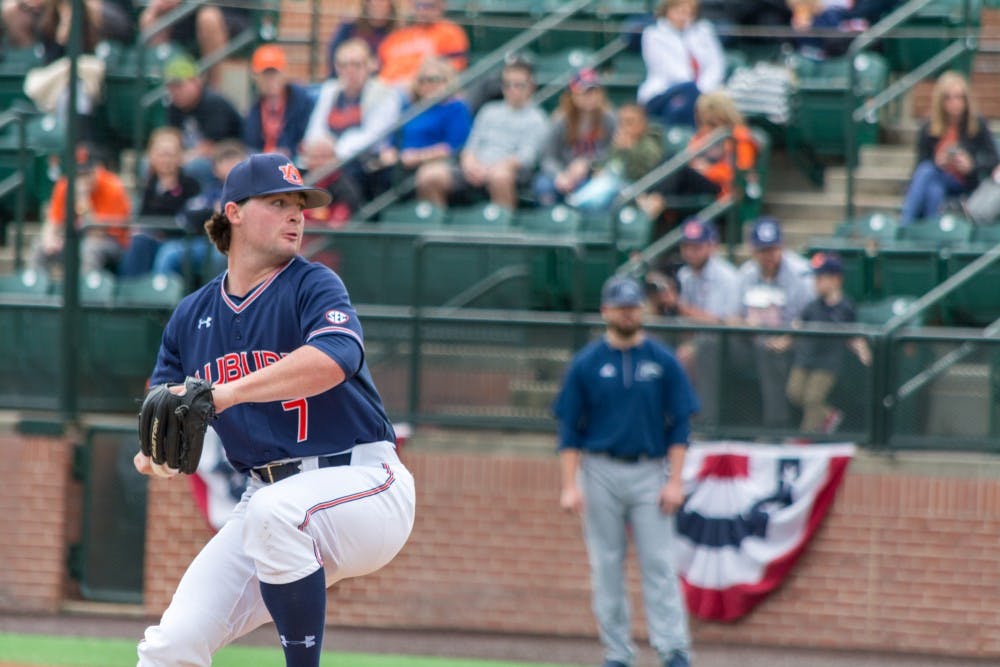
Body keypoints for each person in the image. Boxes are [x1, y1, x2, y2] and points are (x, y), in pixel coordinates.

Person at [132, 152, 416, 667]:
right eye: (279, 202)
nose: (297, 215)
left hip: (365, 482)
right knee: (171, 646)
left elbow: (333, 361)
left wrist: (227, 393)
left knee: (276, 513)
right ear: (234, 212)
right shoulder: (190, 317)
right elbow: (167, 411)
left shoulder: (313, 284)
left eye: (301, 205)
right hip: (268, 500)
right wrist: (155, 457)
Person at [554, 274, 697, 667]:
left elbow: (681, 423)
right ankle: (617, 653)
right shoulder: (587, 363)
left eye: (633, 306)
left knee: (660, 563)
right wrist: (570, 485)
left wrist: (675, 480)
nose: (628, 313)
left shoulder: (661, 360)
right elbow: (569, 428)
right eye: (620, 307)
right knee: (606, 565)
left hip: (650, 469)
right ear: (605, 311)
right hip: (599, 469)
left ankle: (673, 650)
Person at [415, 59, 549, 210]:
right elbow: (471, 146)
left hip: (509, 171)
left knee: (499, 176)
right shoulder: (488, 110)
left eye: (519, 85)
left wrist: (494, 168)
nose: (512, 90)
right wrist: (469, 164)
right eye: (507, 85)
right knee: (429, 175)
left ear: (531, 87)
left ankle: (502, 228)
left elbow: (526, 157)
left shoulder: (537, 118)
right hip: (476, 168)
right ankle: (435, 228)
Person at [772, 251, 872, 434]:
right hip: (806, 358)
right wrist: (784, 341)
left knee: (813, 398)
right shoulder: (812, 305)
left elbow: (853, 334)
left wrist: (862, 350)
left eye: (820, 278)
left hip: (828, 363)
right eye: (815, 278)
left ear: (836, 279)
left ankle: (805, 437)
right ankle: (829, 415)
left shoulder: (845, 307)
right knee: (794, 393)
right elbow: (798, 325)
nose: (815, 283)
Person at [732, 217, 814, 430]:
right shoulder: (746, 274)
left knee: (770, 351)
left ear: (782, 246)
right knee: (711, 344)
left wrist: (788, 338)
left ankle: (776, 427)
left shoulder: (800, 272)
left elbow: (810, 317)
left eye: (773, 249)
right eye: (762, 250)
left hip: (795, 341)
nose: (768, 255)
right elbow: (731, 317)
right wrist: (745, 325)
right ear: (752, 250)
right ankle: (719, 423)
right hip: (753, 340)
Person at [658, 217, 741, 426]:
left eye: (697, 246)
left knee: (693, 351)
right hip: (695, 337)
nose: (691, 251)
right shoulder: (685, 274)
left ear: (712, 246)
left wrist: (678, 305)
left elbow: (720, 322)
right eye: (687, 246)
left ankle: (705, 421)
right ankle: (662, 415)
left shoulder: (726, 276)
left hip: (727, 342)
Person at [638, 90, 758, 228]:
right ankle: (647, 196)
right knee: (670, 160)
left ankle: (654, 200)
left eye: (712, 122)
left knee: (680, 169)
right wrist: (698, 166)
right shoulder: (702, 134)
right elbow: (689, 158)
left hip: (721, 190)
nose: (706, 127)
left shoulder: (740, 137)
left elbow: (740, 175)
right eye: (703, 121)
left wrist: (709, 170)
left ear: (725, 118)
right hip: (698, 184)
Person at [304, 38, 401, 202]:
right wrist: (321, 153)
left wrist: (334, 153)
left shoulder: (385, 93)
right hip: (324, 160)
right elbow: (314, 130)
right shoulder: (330, 89)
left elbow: (373, 136)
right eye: (343, 65)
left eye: (356, 64)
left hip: (360, 164)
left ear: (371, 65)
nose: (349, 70)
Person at [899, 70, 999, 226]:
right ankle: (934, 235)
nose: (954, 103)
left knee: (927, 171)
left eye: (959, 97)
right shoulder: (929, 127)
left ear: (966, 100)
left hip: (965, 181)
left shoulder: (977, 124)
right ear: (940, 101)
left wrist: (971, 165)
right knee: (933, 188)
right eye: (949, 98)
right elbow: (919, 164)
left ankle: (904, 226)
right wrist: (938, 161)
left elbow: (993, 159)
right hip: (938, 177)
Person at [150, 140, 246, 284]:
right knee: (169, 252)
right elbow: (187, 215)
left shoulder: (250, 192)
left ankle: (217, 300)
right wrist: (213, 211)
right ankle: (162, 299)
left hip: (236, 246)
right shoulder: (211, 191)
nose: (229, 166)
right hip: (204, 242)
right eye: (224, 161)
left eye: (234, 160)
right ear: (215, 168)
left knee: (217, 255)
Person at [31, 144, 132, 276]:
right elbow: (52, 221)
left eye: (86, 174)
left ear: (96, 170)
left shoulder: (112, 187)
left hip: (111, 242)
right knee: (40, 246)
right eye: (78, 175)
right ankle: (40, 291)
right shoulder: (65, 184)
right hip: (78, 239)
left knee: (89, 248)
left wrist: (84, 202)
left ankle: (86, 292)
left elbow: (98, 234)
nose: (82, 180)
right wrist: (49, 239)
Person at [118, 127, 202, 278]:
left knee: (168, 251)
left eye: (170, 154)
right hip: (151, 239)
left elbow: (189, 219)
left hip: (178, 241)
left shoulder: (191, 185)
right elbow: (143, 218)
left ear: (180, 156)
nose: (165, 159)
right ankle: (131, 294)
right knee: (138, 243)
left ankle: (160, 293)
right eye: (161, 154)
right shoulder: (148, 185)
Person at [378, 56, 472, 179]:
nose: (427, 84)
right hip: (402, 168)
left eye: (433, 79)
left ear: (447, 81)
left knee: (429, 176)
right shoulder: (410, 108)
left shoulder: (455, 107)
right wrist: (388, 153)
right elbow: (393, 140)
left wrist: (418, 157)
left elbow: (455, 146)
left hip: (438, 167)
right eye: (422, 80)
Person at [533, 68, 617, 207]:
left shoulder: (609, 118)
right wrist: (559, 176)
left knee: (598, 190)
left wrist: (589, 164)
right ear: (573, 95)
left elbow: (613, 152)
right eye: (584, 92)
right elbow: (547, 157)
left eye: (594, 91)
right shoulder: (560, 120)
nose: (590, 96)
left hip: (592, 175)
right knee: (543, 186)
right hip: (562, 172)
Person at [163, 54, 245, 191]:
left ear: (195, 81)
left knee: (195, 166)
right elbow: (173, 137)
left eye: (179, 85)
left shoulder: (213, 102)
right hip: (191, 156)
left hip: (230, 156)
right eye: (171, 87)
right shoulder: (174, 107)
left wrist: (181, 158)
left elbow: (211, 146)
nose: (175, 91)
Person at [638, 0, 725, 129]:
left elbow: (716, 65)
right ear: (667, 10)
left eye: (688, 12)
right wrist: (699, 92)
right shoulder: (652, 34)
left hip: (702, 91)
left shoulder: (703, 30)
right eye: (679, 11)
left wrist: (704, 89)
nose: (683, 16)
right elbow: (670, 71)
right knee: (685, 96)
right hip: (663, 91)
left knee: (686, 104)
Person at [139, 0, 251, 86]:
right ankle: (158, 88)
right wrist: (156, 8)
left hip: (232, 15)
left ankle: (215, 89)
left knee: (208, 18)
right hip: (189, 16)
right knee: (149, 16)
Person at [243, 44, 316, 162]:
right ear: (255, 77)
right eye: (265, 74)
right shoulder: (254, 109)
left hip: (295, 165)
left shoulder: (303, 101)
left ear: (284, 73)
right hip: (264, 165)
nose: (270, 79)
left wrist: (289, 151)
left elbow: (307, 138)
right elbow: (250, 144)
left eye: (274, 73)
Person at [377, 0, 469, 88]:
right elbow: (379, 63)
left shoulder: (450, 32)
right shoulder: (400, 35)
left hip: (420, 88)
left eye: (429, 6)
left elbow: (455, 69)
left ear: (441, 6)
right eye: (419, 5)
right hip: (384, 84)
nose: (423, 11)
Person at [326, 0, 398, 78]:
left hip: (380, 81)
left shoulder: (396, 33)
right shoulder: (350, 27)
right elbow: (334, 55)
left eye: (382, 1)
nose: (378, 4)